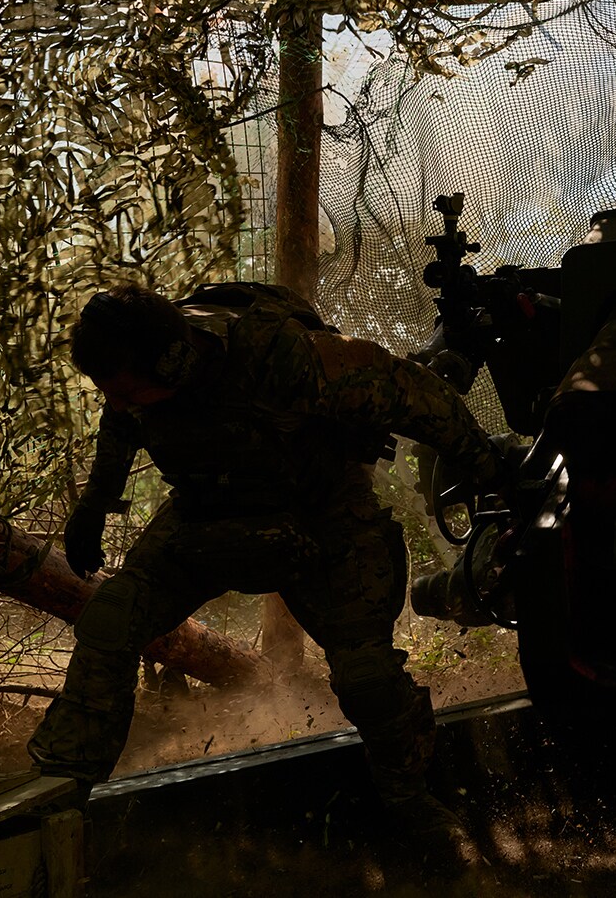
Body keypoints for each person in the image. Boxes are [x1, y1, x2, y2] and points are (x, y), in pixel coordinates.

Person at [27, 280, 498, 862]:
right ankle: (57, 798)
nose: (118, 403)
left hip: (323, 512)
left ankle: (411, 801)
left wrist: (487, 468)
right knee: (110, 620)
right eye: (111, 393)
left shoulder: (283, 356)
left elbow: (418, 395)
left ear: (175, 362)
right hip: (207, 510)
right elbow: (122, 419)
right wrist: (95, 502)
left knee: (368, 677)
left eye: (127, 392)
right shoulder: (138, 369)